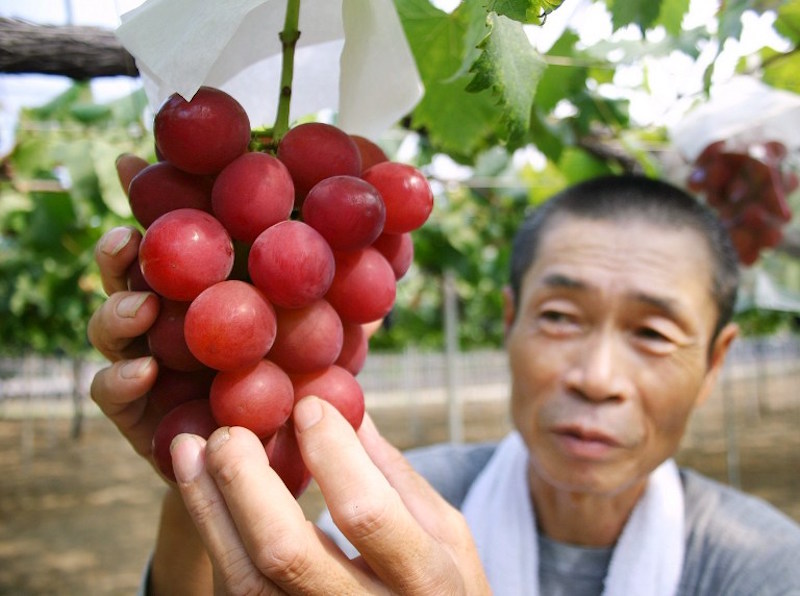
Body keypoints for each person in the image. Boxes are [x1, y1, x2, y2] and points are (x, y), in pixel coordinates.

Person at [88, 164, 800, 595]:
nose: (597, 377)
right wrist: (204, 464)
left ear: (714, 362)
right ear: (509, 323)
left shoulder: (767, 569)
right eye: (559, 317)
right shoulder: (390, 510)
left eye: (651, 332)